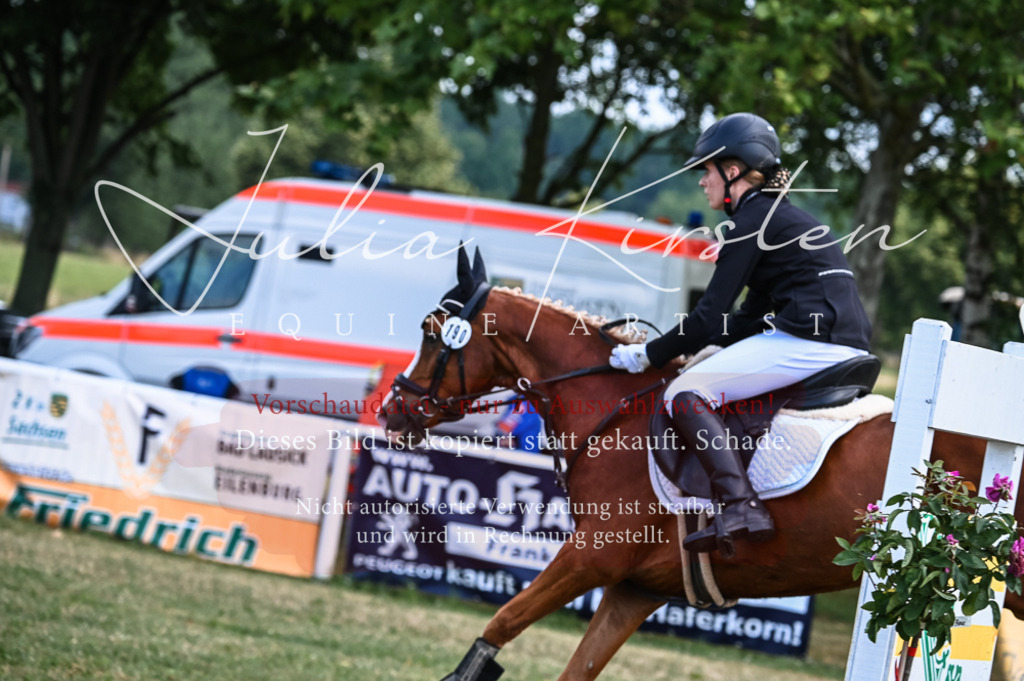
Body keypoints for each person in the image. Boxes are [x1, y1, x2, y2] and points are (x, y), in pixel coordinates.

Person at [610, 112, 872, 553]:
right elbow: (748, 317)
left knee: (685, 396)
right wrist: (706, 347)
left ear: (732, 172)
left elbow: (709, 316)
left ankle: (741, 505)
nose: (701, 181)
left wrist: (649, 354)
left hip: (815, 342)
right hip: (834, 337)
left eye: (706, 171)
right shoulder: (777, 217)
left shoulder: (750, 222)